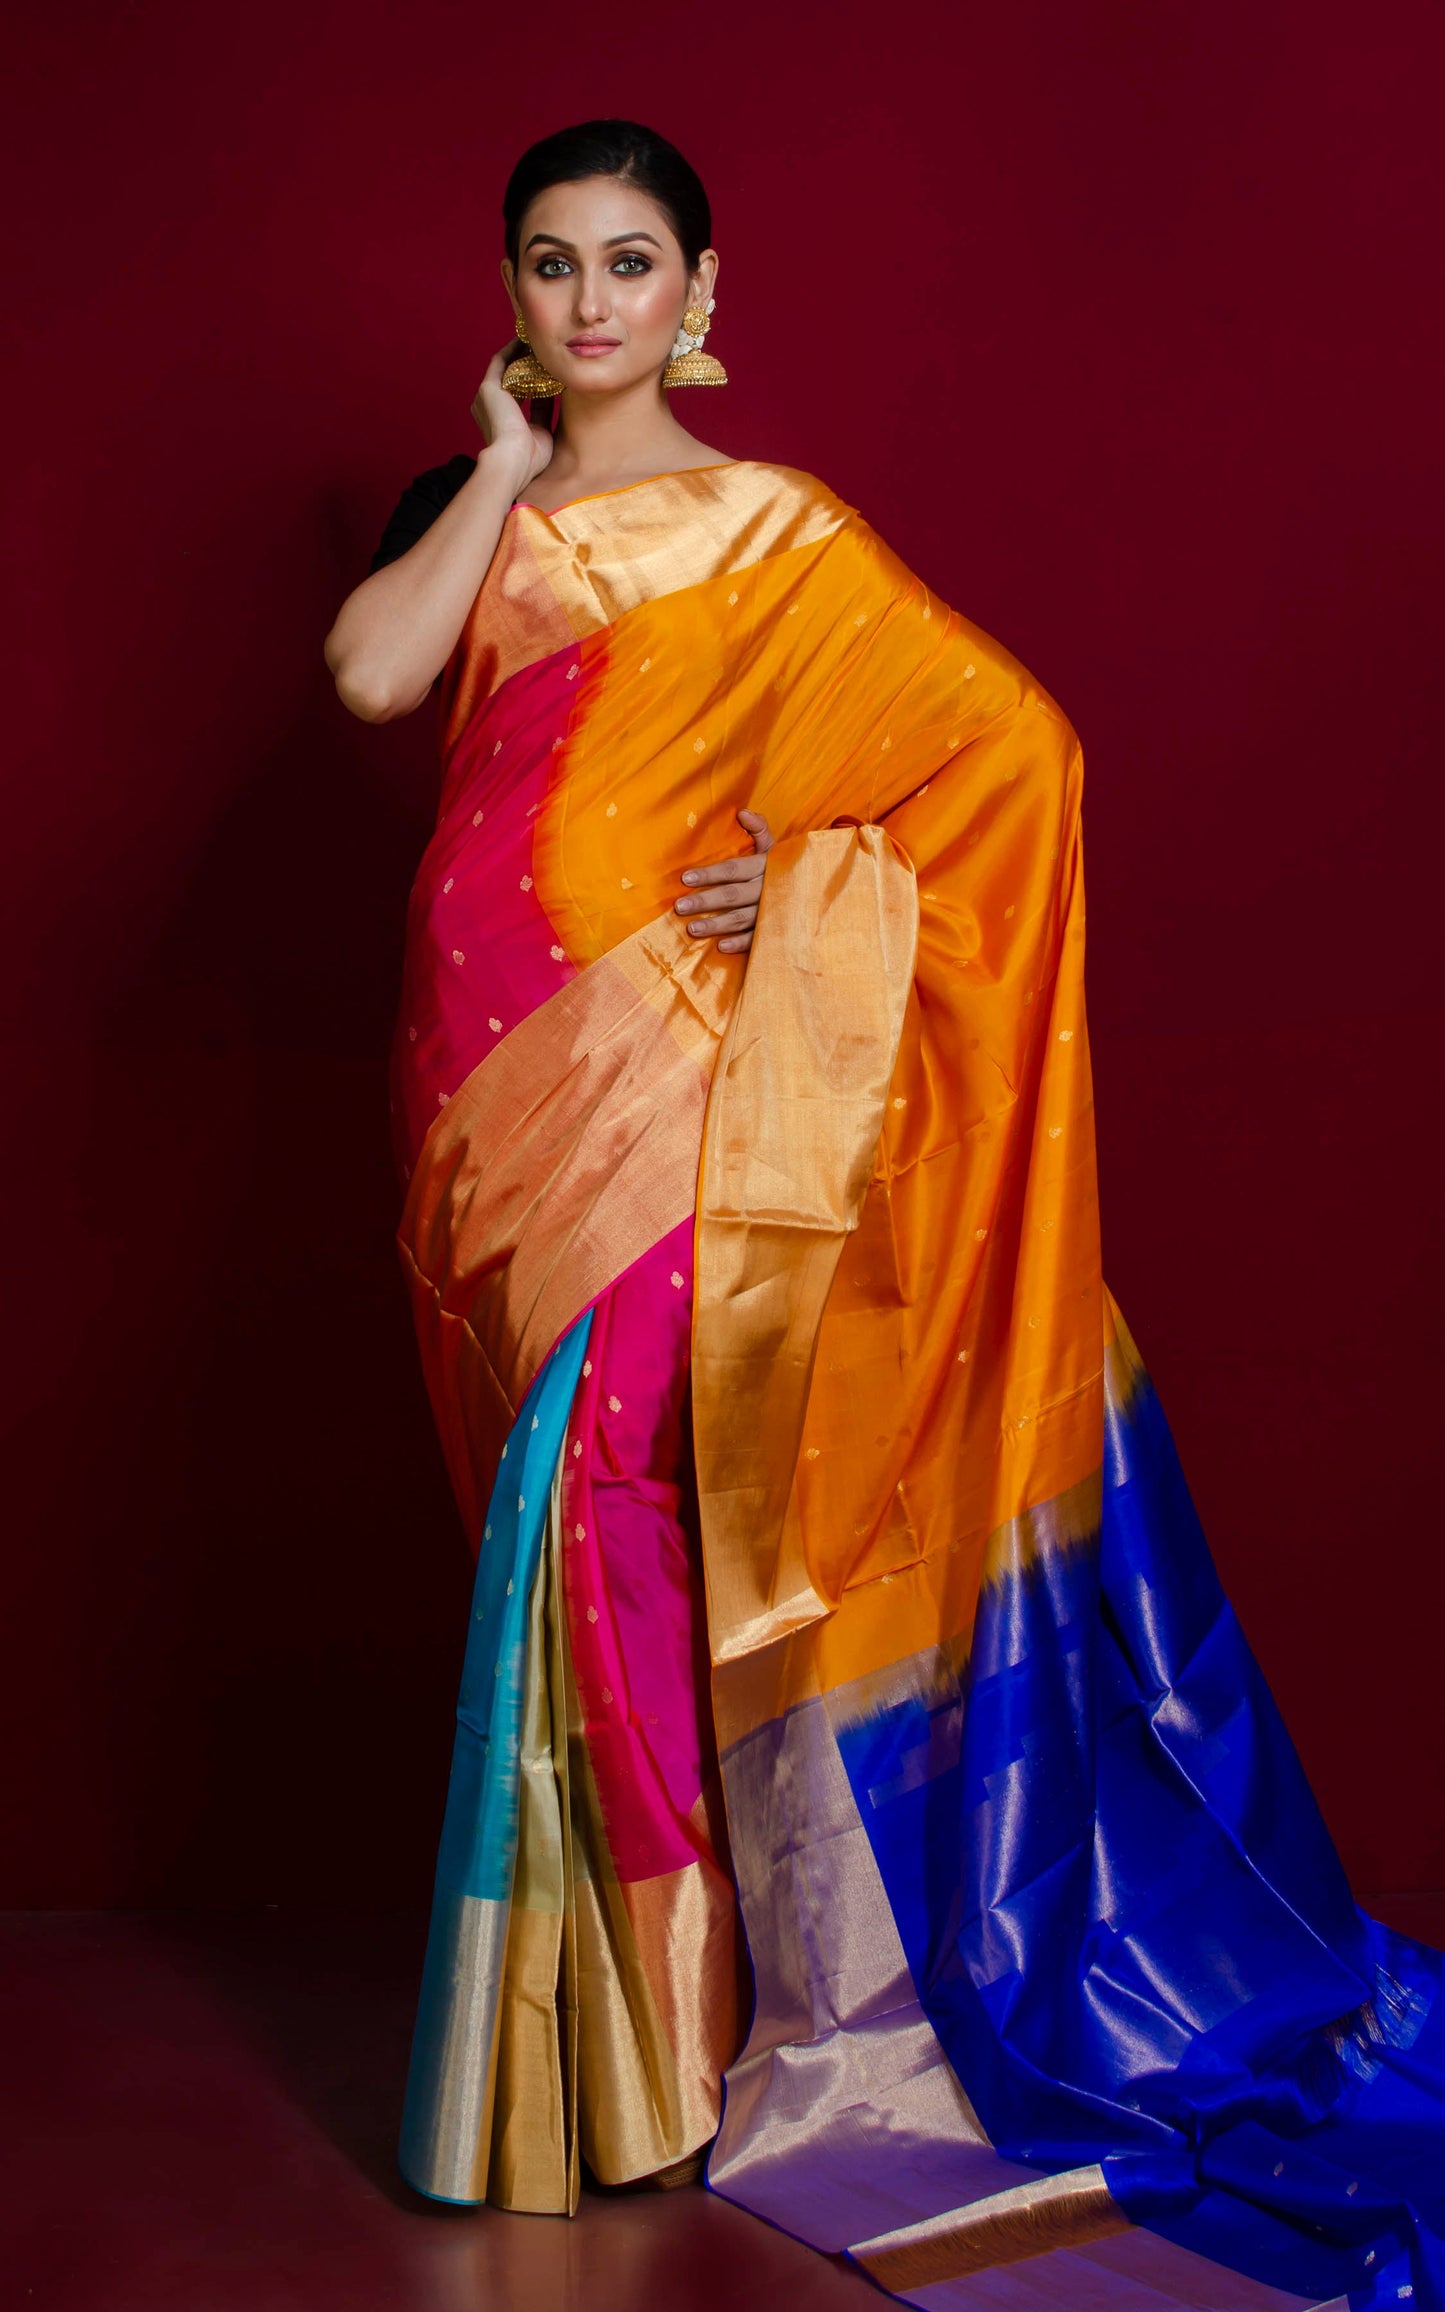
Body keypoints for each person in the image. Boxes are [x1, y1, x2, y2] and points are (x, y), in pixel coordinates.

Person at [326, 119, 1445, 2310]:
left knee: (619, 1496)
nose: (587, 304)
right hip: (482, 1097)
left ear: (701, 292)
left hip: (670, 1083)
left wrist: (829, 876)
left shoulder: (782, 535)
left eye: (628, 264)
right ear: (511, 293)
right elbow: (374, 675)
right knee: (568, 1515)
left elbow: (1018, 762)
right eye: (549, 264)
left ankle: (656, 2047)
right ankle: (627, 2032)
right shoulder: (485, 512)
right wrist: (496, 467)